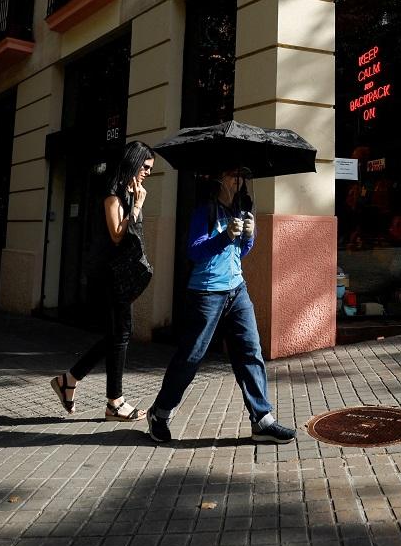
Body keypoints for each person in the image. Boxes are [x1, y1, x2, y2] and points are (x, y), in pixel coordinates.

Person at [146, 167, 296, 445]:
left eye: (241, 177)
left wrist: (248, 237)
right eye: (232, 175)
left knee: (250, 351)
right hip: (206, 293)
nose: (238, 181)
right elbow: (194, 251)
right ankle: (160, 413)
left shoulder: (240, 210)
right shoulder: (205, 211)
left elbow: (241, 252)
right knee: (191, 356)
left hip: (237, 290)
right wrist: (224, 236)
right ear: (219, 179)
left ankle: (262, 420)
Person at [51, 141, 155, 422]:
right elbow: (118, 235)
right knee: (120, 334)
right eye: (145, 167)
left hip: (119, 273)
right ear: (133, 163)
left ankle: (70, 381)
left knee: (117, 335)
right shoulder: (112, 192)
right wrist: (138, 205)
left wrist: (136, 203)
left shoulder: (128, 193)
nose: (147, 173)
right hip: (108, 274)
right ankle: (113, 402)